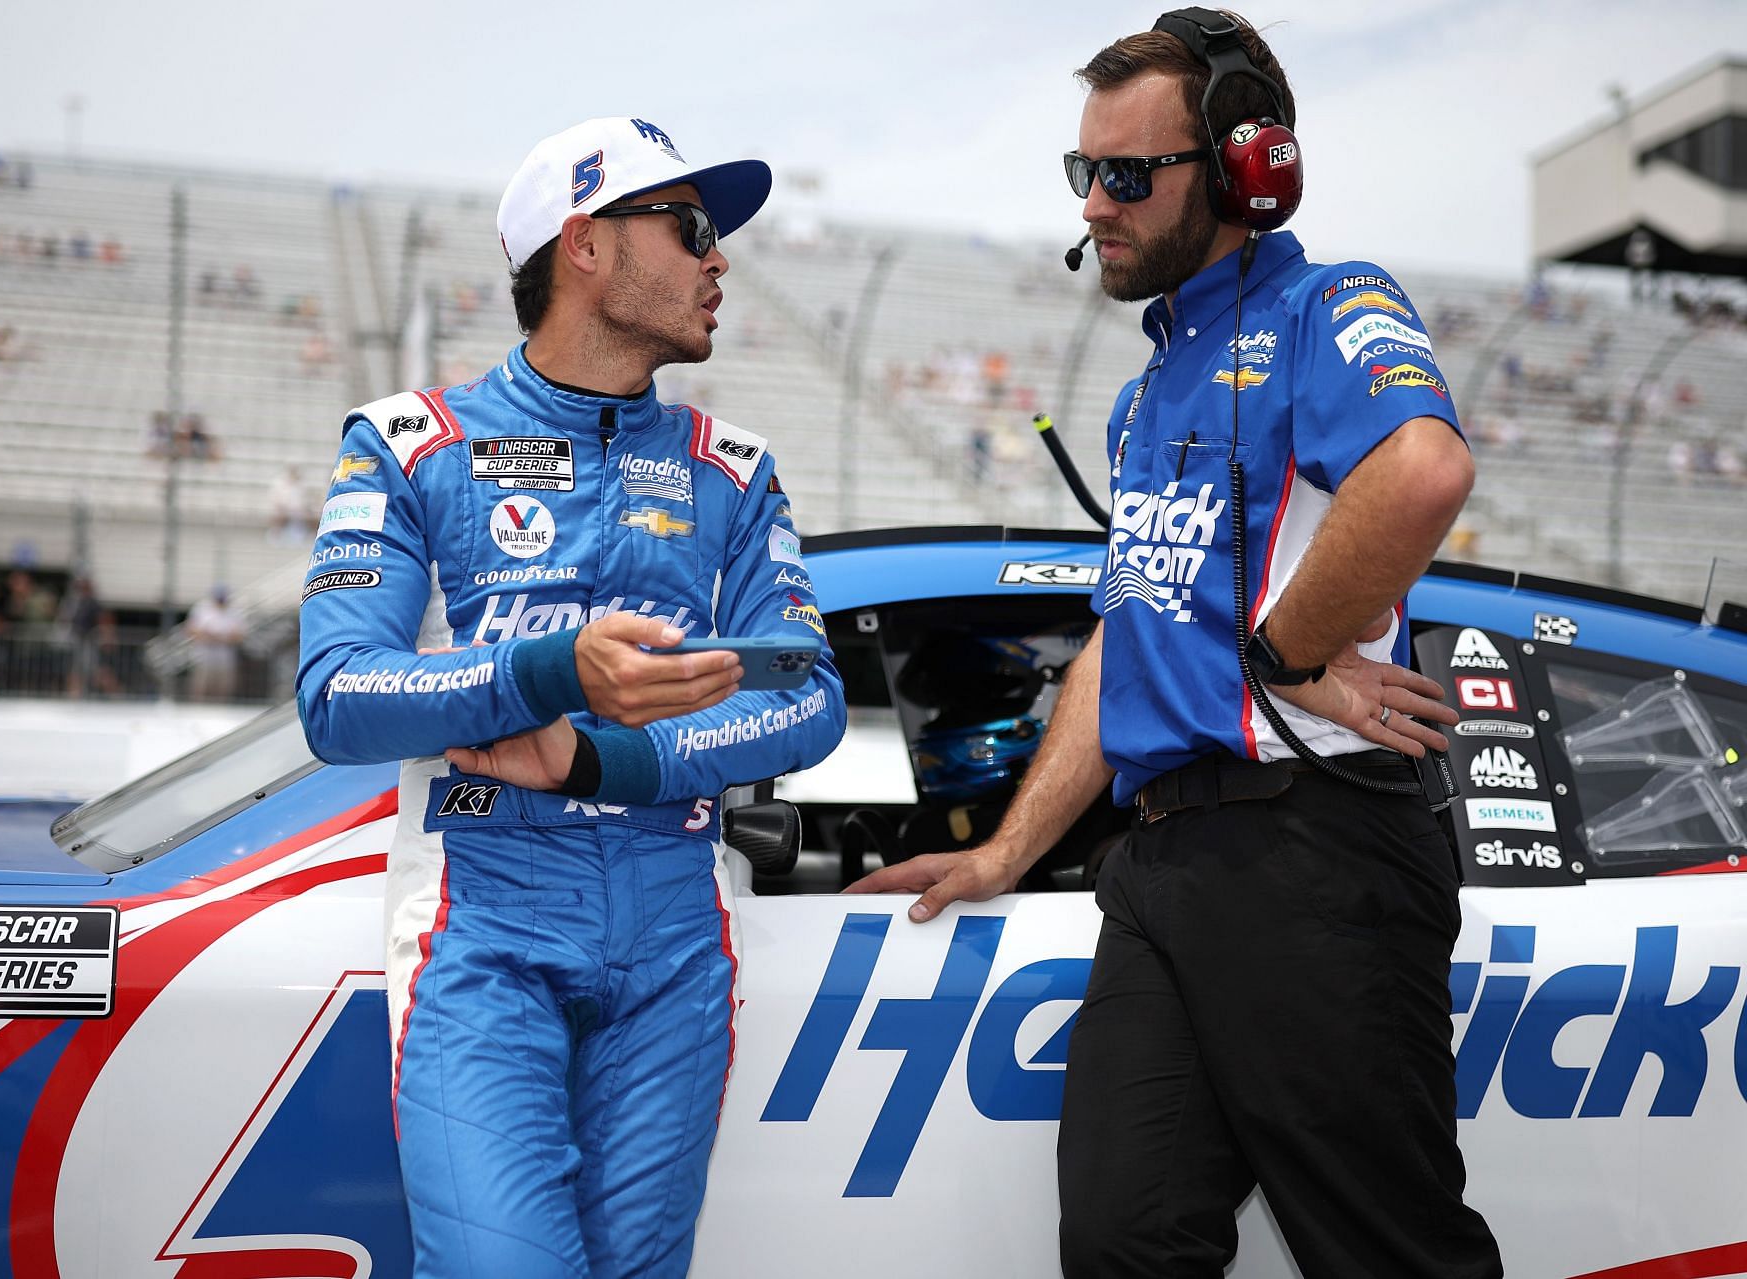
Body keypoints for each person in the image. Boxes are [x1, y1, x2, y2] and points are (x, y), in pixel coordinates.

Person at [849, 11, 1502, 1278]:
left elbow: (1423, 471)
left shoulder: (1332, 303)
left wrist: (1282, 647)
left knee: (1389, 1254)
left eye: (1128, 175)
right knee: (1124, 1242)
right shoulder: (1148, 389)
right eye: (1082, 173)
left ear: (1247, 168)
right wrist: (1001, 853)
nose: (1096, 202)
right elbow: (1122, 647)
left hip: (1314, 847)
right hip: (1156, 870)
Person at [296, 115, 844, 1279]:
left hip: (678, 930)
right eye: (691, 227)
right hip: (483, 922)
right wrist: (552, 673)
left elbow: (809, 697)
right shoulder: (409, 444)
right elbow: (337, 696)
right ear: (583, 245)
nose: (719, 260)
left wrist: (606, 760)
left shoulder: (731, 468)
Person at [184, 585, 244, 700]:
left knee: (222, 687)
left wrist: (220, 638)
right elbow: (191, 630)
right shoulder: (202, 609)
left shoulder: (235, 611)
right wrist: (210, 636)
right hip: (204, 655)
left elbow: (239, 635)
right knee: (201, 686)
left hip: (224, 656)